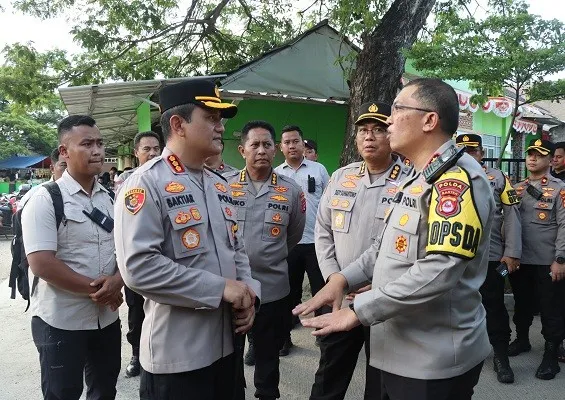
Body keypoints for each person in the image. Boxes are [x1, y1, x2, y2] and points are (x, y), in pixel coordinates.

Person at [295, 78, 494, 400]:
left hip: (431, 357)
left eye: (399, 109)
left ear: (430, 120)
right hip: (398, 348)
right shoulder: (418, 178)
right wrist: (341, 280)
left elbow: (441, 269)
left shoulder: (455, 181)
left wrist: (359, 310)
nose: (388, 120)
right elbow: (383, 248)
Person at [114, 79, 261, 400]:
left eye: (220, 119)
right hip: (178, 357)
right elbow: (139, 268)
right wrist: (220, 288)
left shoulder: (219, 184)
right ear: (178, 124)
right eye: (210, 118)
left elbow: (237, 250)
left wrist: (250, 294)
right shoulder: (146, 183)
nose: (221, 127)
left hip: (227, 347)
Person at [311, 101, 411, 400]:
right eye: (363, 130)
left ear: (391, 136)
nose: (369, 137)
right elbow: (322, 231)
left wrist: (378, 282)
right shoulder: (342, 176)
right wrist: (333, 278)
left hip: (383, 297)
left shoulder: (410, 181)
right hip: (340, 295)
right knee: (329, 374)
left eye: (378, 130)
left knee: (380, 380)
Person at [22, 115, 123, 400]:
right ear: (64, 152)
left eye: (101, 143)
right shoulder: (44, 198)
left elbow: (123, 249)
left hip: (106, 320)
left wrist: (117, 280)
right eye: (87, 143)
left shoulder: (110, 198)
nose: (98, 151)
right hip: (61, 322)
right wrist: (102, 291)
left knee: (104, 390)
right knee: (62, 393)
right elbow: (42, 262)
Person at [225, 120, 305, 400]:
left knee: (268, 356)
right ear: (242, 150)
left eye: (267, 144)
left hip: (272, 291)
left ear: (276, 150)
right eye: (254, 144)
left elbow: (293, 236)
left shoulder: (292, 191)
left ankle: (267, 395)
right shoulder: (224, 187)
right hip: (232, 290)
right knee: (229, 357)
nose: (261, 150)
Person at [455, 133, 522, 384]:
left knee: (494, 307)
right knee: (456, 307)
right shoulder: (445, 174)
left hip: (491, 258)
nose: (467, 155)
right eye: (461, 150)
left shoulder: (499, 178)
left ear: (481, 153)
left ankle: (501, 357)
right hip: (455, 256)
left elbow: (512, 215)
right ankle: (462, 355)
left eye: (472, 151)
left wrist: (512, 253)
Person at [509, 138, 565, 380]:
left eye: (539, 154)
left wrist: (561, 259)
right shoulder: (515, 188)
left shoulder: (560, 188)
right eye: (530, 153)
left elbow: (564, 225)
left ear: (550, 159)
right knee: (522, 304)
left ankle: (551, 353)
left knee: (551, 308)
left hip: (546, 260)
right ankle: (522, 340)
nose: (532, 158)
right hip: (521, 259)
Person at [274, 125, 330, 355]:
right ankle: (285, 337)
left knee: (322, 291)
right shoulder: (277, 174)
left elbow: (328, 203)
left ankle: (325, 335)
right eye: (287, 142)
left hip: (317, 242)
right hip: (289, 245)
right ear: (281, 147)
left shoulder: (318, 170)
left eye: (296, 141)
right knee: (288, 292)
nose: (292, 146)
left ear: (303, 143)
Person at [114, 130, 162, 378]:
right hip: (135, 259)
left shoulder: (169, 178)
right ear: (136, 153)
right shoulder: (126, 181)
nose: (153, 153)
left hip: (163, 261)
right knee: (136, 311)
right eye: (147, 149)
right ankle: (136, 354)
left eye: (156, 148)